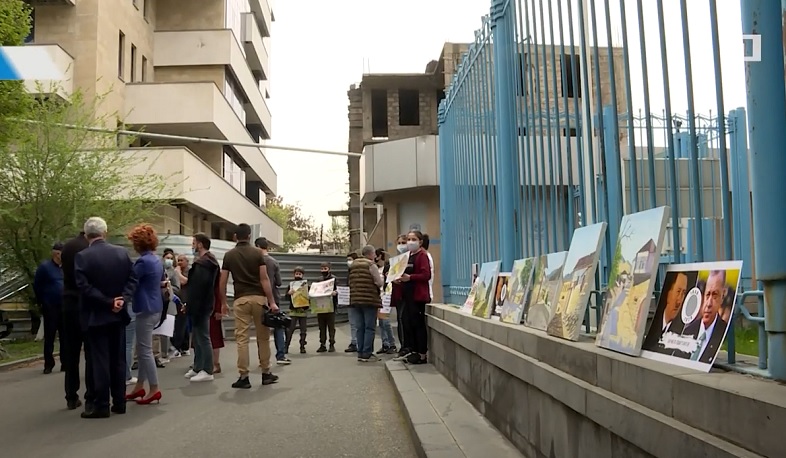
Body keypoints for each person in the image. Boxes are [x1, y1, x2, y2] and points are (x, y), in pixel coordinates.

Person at [74, 217, 137, 418]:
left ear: (86, 236)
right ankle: (119, 402)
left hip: (95, 315)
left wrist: (107, 301)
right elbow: (132, 279)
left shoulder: (82, 257)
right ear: (105, 232)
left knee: (100, 360)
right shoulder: (121, 253)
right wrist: (122, 299)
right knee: (118, 359)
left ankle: (101, 404)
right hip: (118, 315)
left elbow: (83, 287)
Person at [219, 224, 280, 389]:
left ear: (235, 237)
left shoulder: (229, 255)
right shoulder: (257, 253)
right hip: (259, 299)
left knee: (242, 339)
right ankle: (266, 372)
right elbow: (264, 279)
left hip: (241, 300)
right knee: (263, 337)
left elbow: (222, 281)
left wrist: (223, 303)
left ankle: (244, 376)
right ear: (249, 235)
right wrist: (272, 301)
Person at [125, 224, 165, 406]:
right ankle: (140, 385)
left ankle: (154, 388)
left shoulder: (142, 262)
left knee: (144, 350)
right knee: (143, 350)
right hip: (155, 306)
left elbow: (130, 280)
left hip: (145, 308)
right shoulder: (155, 260)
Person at [60, 231, 93, 411]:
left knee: (71, 353)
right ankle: (90, 394)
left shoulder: (68, 246)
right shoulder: (88, 249)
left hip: (68, 302)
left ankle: (71, 396)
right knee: (90, 352)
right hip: (85, 303)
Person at [183, 233, 220, 382]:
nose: (192, 246)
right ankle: (198, 367)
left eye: (194, 243)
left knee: (203, 337)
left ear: (200, 244)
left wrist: (191, 304)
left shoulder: (203, 264)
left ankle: (207, 369)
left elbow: (197, 288)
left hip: (201, 306)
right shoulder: (208, 262)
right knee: (198, 337)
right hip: (202, 305)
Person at [395, 231, 432, 365]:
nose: (410, 242)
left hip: (417, 296)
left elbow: (426, 275)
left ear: (420, 242)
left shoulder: (422, 256)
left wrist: (410, 277)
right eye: (408, 239)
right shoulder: (408, 256)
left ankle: (422, 354)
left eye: (413, 239)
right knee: (407, 323)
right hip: (407, 295)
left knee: (418, 325)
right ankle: (413, 351)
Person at [255, 237, 289, 365]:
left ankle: (262, 358)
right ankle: (281, 355)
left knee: (261, 328)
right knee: (278, 326)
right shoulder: (274, 262)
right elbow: (279, 282)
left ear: (257, 246)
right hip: (274, 297)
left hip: (259, 297)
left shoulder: (254, 262)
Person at [683, 270, 728, 363]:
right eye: (707, 295)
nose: (708, 304)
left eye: (715, 295)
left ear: (723, 296)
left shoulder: (723, 331)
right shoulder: (687, 331)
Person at [348, 245, 384, 362]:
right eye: (374, 254)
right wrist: (383, 278)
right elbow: (378, 283)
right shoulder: (371, 265)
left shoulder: (353, 265)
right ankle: (367, 353)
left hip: (355, 300)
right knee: (369, 327)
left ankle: (360, 352)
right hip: (369, 300)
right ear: (371, 254)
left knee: (360, 327)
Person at [33, 242, 64, 374]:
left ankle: (65, 362)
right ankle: (48, 363)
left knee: (65, 336)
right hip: (50, 306)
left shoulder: (65, 268)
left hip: (64, 306)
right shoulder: (45, 267)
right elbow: (37, 286)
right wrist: (42, 301)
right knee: (50, 336)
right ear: (56, 253)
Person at [391, 235, 411, 360]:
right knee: (400, 320)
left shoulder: (411, 258)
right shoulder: (395, 260)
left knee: (405, 321)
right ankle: (402, 346)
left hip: (408, 294)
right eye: (399, 243)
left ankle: (406, 347)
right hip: (398, 294)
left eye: (403, 242)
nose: (401, 245)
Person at [375, 248, 397, 355]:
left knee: (385, 321)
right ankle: (385, 344)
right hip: (380, 298)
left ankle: (392, 344)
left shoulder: (388, 268)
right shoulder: (377, 269)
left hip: (386, 298)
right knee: (381, 322)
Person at [316, 262, 339, 353]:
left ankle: (332, 344)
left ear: (329, 269)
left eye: (325, 268)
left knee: (331, 326)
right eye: (322, 268)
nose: (323, 270)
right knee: (321, 327)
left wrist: (335, 292)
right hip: (320, 306)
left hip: (331, 306)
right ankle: (322, 344)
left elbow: (339, 290)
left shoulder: (334, 279)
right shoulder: (319, 280)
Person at [286, 266, 309, 354]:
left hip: (303, 311)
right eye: (296, 274)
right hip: (293, 311)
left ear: (302, 275)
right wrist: (289, 293)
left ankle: (302, 346)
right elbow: (286, 297)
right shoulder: (290, 286)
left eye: (300, 274)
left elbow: (309, 298)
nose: (298, 275)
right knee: (290, 329)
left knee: (303, 330)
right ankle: (286, 346)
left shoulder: (306, 286)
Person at [172, 254, 191, 356]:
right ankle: (184, 346)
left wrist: (178, 273)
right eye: (178, 260)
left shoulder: (188, 271)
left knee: (181, 325)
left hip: (185, 300)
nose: (179, 262)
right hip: (177, 300)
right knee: (182, 324)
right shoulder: (175, 271)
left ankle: (178, 346)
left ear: (187, 261)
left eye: (181, 260)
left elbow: (184, 281)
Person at [344, 252, 360, 353]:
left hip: (357, 299)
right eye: (348, 260)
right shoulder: (349, 272)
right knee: (352, 322)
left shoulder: (358, 271)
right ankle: (354, 342)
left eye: (350, 259)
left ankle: (357, 342)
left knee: (357, 322)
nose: (348, 262)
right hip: (350, 299)